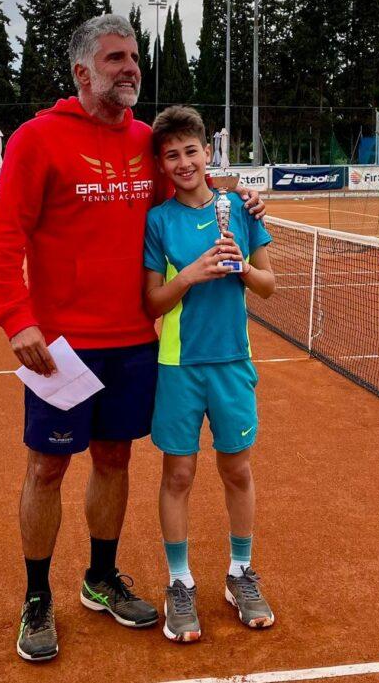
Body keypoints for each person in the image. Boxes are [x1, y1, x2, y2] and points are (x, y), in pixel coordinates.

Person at [0, 16, 264, 662]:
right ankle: (36, 595)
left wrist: (238, 196)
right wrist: (16, 317)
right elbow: (3, 239)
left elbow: (192, 196)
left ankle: (100, 576)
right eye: (116, 58)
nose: (130, 66)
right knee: (47, 466)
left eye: (134, 56)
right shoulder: (36, 140)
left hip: (135, 341)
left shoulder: (148, 143)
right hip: (60, 348)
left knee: (114, 461)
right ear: (83, 72)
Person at [142, 106, 276, 643]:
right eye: (171, 155)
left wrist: (239, 264)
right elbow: (152, 302)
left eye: (190, 151)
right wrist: (193, 275)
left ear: (207, 152)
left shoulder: (241, 208)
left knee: (237, 471)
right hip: (178, 366)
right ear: (162, 163)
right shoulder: (158, 221)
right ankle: (180, 582)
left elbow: (268, 285)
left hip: (232, 362)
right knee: (178, 476)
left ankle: (240, 572)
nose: (183, 162)